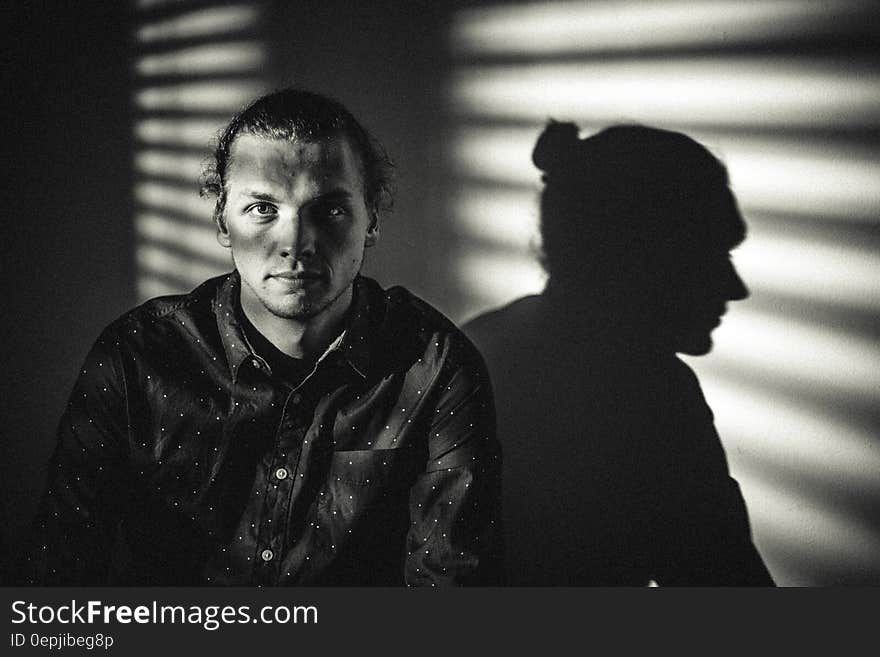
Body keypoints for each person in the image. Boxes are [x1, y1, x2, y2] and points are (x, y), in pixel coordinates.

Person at [22, 88, 501, 586]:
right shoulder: (137, 358)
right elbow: (59, 574)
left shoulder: (435, 366)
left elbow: (455, 595)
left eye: (330, 210)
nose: (295, 243)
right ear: (222, 220)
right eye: (263, 209)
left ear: (371, 221)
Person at [464, 121, 774, 586]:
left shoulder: (472, 351)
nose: (736, 287)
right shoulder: (651, 397)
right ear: (643, 256)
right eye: (714, 253)